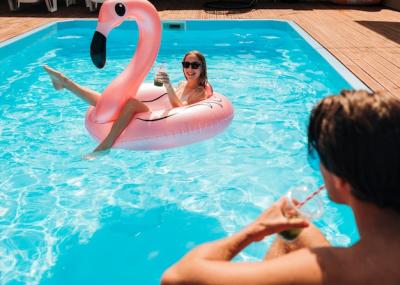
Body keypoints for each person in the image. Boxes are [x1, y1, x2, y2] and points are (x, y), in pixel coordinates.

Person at [161, 90, 400, 285]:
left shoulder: (330, 269)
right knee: (294, 233)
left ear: (341, 180)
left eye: (317, 157)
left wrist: (254, 230)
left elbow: (178, 277)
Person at [44, 50, 210, 153]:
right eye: (186, 64)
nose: (189, 69)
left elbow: (181, 112)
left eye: (195, 65)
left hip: (159, 121)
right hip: (154, 115)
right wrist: (162, 83)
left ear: (202, 68)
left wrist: (167, 86)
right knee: (109, 101)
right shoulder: (181, 84)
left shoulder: (199, 92)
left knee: (130, 103)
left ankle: (106, 144)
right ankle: (66, 83)